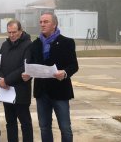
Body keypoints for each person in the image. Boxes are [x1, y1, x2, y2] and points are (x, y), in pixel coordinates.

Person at [22, 13, 79, 142]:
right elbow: (31, 65)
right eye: (41, 22)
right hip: (42, 93)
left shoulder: (67, 42)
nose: (42, 24)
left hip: (60, 91)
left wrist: (64, 73)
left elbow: (74, 65)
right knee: (44, 128)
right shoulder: (35, 44)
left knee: (65, 128)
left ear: (54, 24)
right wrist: (27, 75)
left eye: (46, 22)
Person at [0, 19, 33, 142]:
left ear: (20, 31)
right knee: (10, 122)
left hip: (21, 91)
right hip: (6, 91)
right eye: (9, 32)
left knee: (25, 123)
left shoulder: (28, 45)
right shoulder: (5, 45)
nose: (11, 35)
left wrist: (7, 80)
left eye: (14, 32)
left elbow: (25, 67)